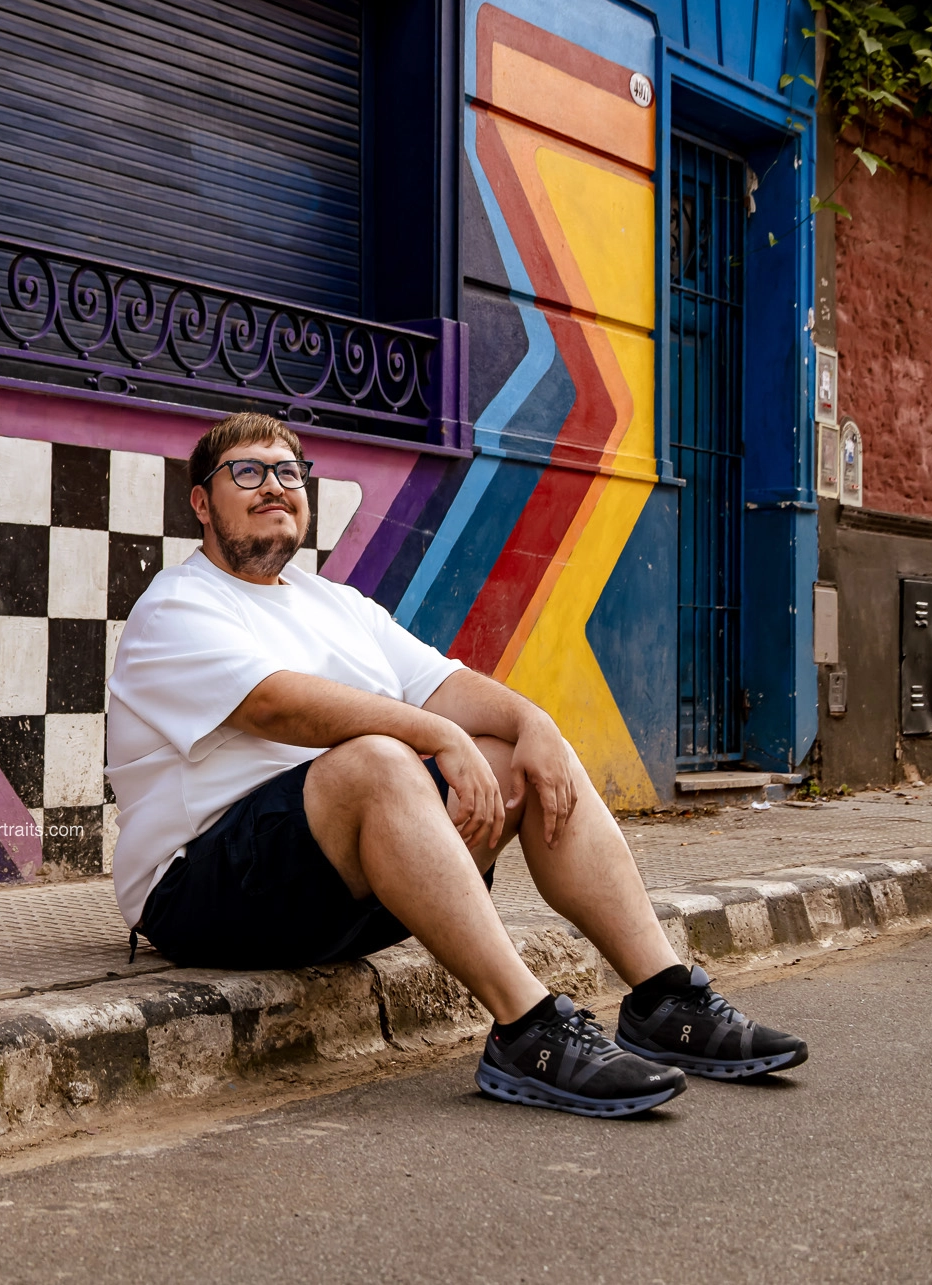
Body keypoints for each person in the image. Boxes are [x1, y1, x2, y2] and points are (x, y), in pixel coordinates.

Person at [105, 412, 807, 1117]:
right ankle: (527, 1029)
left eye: (288, 471)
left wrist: (535, 724)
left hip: (336, 890)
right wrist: (437, 736)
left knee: (527, 757)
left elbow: (441, 683)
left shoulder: (335, 604)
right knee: (380, 761)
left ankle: (665, 997)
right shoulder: (177, 605)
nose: (273, 486)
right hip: (203, 894)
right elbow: (274, 705)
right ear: (202, 502)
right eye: (247, 471)